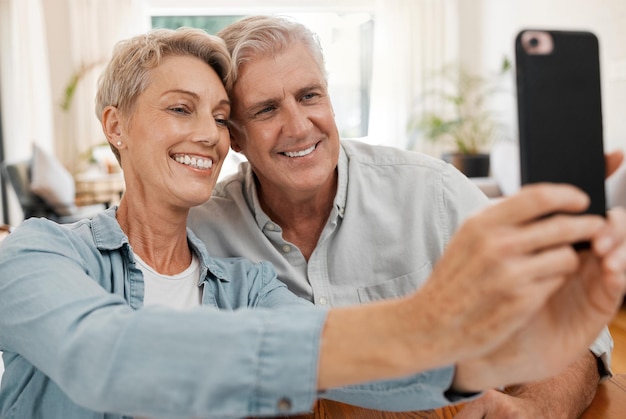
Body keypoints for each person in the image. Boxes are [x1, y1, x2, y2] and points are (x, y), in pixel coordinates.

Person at [0, 28, 621, 419]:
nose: (206, 134)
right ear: (115, 126)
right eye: (179, 109)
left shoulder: (242, 287)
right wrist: (432, 322)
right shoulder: (41, 254)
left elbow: (355, 365)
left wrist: (487, 363)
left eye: (218, 116)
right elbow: (107, 356)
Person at [188, 15, 626, 418]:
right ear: (235, 136)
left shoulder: (431, 192)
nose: (300, 126)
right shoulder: (201, 233)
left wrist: (537, 409)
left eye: (309, 96)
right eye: (266, 109)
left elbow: (574, 336)